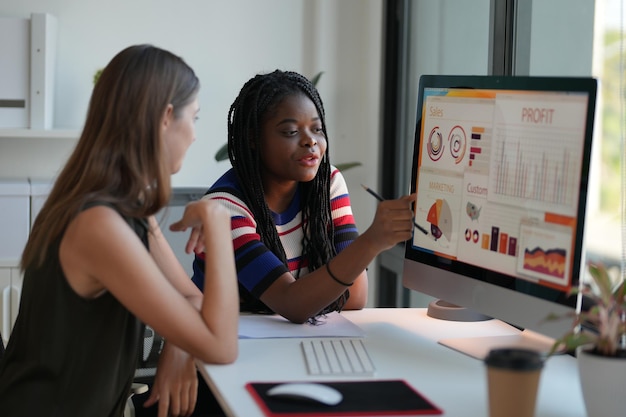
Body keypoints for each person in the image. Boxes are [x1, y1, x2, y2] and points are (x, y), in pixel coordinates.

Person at [0, 44, 239, 417]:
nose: (194, 135)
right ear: (165, 117)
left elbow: (192, 302)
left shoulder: (125, 210)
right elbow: (221, 346)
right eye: (194, 117)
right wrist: (219, 222)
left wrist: (179, 347)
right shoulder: (99, 225)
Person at [192, 69, 415, 324]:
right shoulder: (224, 210)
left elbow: (354, 297)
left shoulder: (327, 184)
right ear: (253, 138)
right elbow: (292, 304)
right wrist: (372, 241)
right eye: (290, 132)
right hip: (224, 349)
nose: (310, 141)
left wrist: (309, 296)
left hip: (288, 344)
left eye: (317, 129)